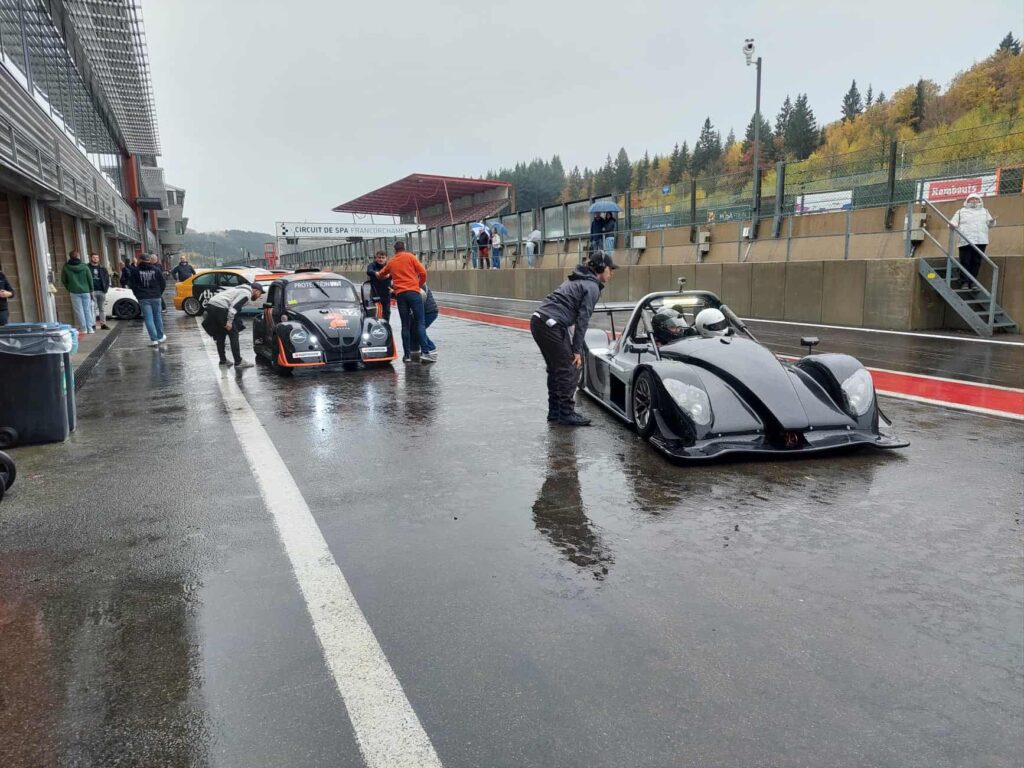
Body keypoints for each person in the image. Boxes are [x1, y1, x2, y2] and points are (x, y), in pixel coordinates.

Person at [531, 250, 617, 426]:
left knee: (556, 369)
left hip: (540, 321)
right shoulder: (591, 287)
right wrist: (577, 350)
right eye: (610, 268)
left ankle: (556, 412)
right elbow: (582, 321)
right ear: (601, 268)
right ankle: (565, 413)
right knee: (570, 366)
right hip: (550, 324)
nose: (612, 273)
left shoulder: (579, 280)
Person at [376, 241, 434, 363]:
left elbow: (381, 274)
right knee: (420, 322)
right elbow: (423, 272)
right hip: (413, 293)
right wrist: (418, 285)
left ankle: (407, 355)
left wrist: (381, 276)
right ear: (404, 248)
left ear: (394, 250)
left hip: (401, 295)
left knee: (405, 325)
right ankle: (426, 353)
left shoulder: (392, 261)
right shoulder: (411, 257)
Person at [202, 281, 263, 368]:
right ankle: (238, 361)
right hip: (221, 307)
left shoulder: (238, 289)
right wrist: (229, 322)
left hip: (211, 305)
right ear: (256, 291)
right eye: (260, 294)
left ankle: (223, 360)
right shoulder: (246, 293)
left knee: (220, 334)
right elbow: (233, 307)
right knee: (233, 334)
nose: (259, 296)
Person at [949, 193, 995, 289]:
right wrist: (952, 225)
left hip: (981, 240)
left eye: (976, 199)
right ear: (967, 201)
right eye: (972, 199)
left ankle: (972, 282)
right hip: (965, 240)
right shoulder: (961, 212)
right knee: (965, 261)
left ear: (980, 201)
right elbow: (953, 223)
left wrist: (992, 222)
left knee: (976, 262)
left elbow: (990, 225)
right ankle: (964, 282)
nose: (974, 201)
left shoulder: (985, 211)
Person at [131, 254, 167, 346]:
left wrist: (138, 295)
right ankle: (160, 336)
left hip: (143, 297)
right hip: (155, 296)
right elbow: (162, 283)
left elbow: (132, 285)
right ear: (149, 260)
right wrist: (159, 293)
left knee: (148, 318)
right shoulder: (156, 269)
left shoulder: (135, 271)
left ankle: (154, 339)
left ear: (140, 260)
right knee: (157, 317)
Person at [61, 250, 95, 335]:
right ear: (78, 256)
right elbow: (90, 279)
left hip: (74, 291)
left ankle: (83, 329)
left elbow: (63, 280)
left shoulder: (66, 267)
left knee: (79, 311)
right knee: (87, 310)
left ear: (70, 257)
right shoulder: (84, 266)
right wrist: (91, 290)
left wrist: (69, 288)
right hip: (86, 291)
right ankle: (90, 328)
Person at [366, 250, 392, 323]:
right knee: (375, 312)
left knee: (387, 312)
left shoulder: (389, 266)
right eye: (379, 257)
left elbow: (395, 273)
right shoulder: (372, 265)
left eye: (382, 257)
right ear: (376, 258)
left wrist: (389, 275)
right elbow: (369, 271)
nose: (381, 259)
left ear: (386, 258)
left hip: (386, 293)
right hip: (375, 293)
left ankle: (386, 325)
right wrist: (376, 273)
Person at [88, 253, 111, 330]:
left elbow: (107, 279)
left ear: (98, 259)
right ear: (90, 258)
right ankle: (93, 324)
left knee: (102, 308)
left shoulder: (102, 268)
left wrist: (106, 289)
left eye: (97, 257)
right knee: (92, 308)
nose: (95, 259)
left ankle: (103, 324)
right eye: (94, 257)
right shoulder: (87, 267)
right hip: (92, 291)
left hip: (101, 291)